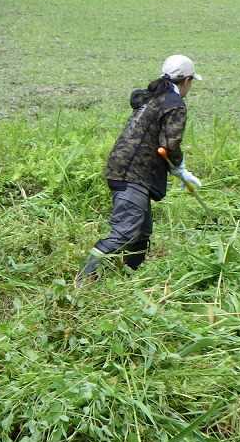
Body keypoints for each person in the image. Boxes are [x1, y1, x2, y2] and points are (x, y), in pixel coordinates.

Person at [79, 55, 202, 281]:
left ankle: (128, 278)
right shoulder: (174, 104)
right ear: (186, 80)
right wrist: (181, 169)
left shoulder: (154, 97)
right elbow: (170, 144)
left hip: (126, 169)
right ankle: (83, 279)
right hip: (132, 174)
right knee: (125, 233)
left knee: (142, 233)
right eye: (191, 82)